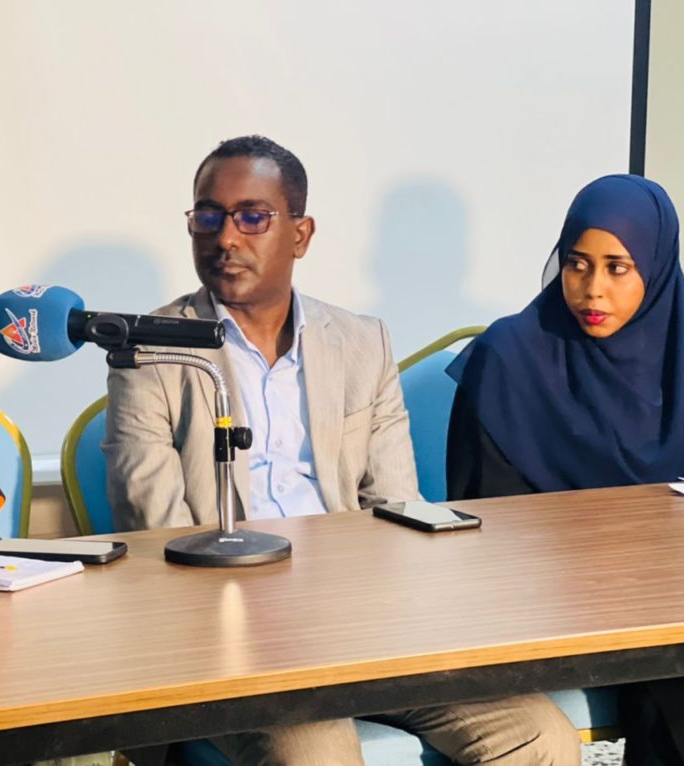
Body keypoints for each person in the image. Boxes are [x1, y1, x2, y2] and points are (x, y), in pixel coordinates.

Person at [104, 135, 580, 765]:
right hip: (232, 639)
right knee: (317, 753)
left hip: (361, 623)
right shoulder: (151, 350)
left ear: (300, 235)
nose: (225, 237)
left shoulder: (361, 344)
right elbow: (156, 532)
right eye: (209, 217)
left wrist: (362, 609)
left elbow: (398, 508)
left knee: (540, 737)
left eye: (252, 217)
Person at [445, 174, 684, 765]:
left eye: (617, 268)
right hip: (549, 611)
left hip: (674, 606)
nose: (592, 290)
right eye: (577, 264)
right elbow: (486, 532)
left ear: (654, 269)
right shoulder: (510, 359)